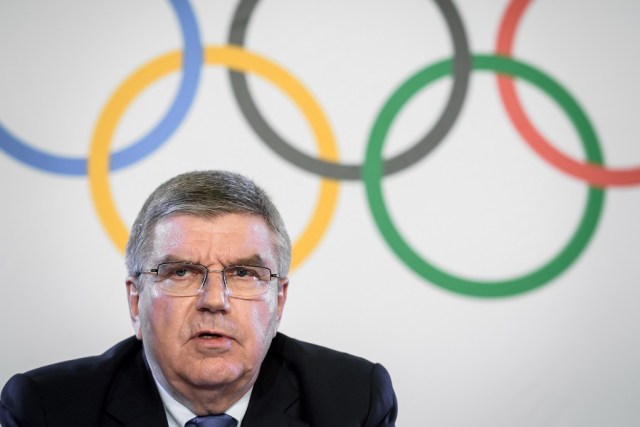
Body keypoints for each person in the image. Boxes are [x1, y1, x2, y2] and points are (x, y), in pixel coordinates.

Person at [0, 170, 397, 427]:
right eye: (181, 272)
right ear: (136, 303)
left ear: (280, 302)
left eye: (243, 273)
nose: (214, 300)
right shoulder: (46, 410)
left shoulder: (352, 401)